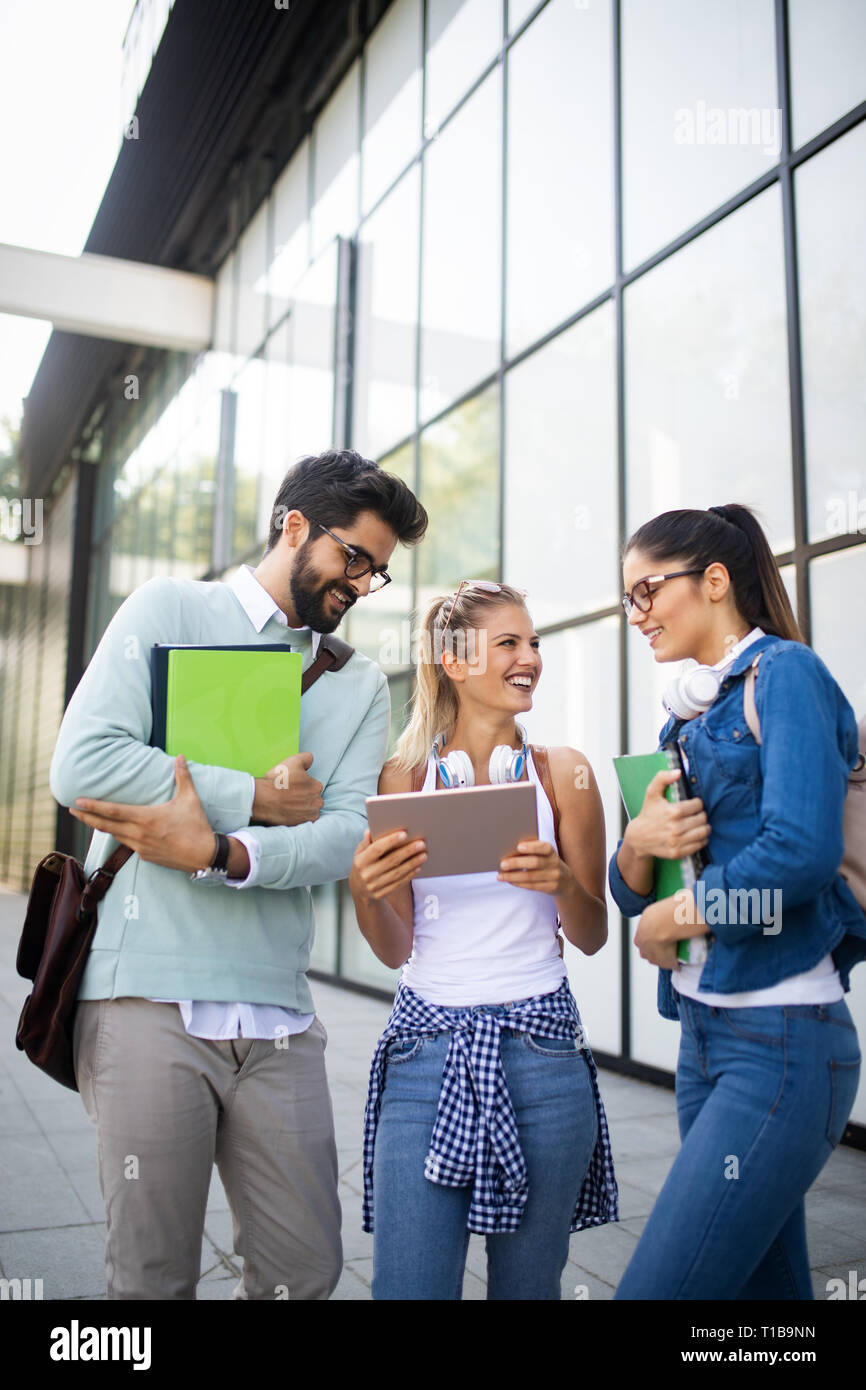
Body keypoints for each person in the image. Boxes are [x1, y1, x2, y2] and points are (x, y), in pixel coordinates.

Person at [49, 448, 427, 1300]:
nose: (363, 585)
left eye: (379, 573)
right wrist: (252, 794)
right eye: (353, 559)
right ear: (294, 526)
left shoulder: (360, 681)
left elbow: (341, 838)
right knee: (151, 1278)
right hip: (144, 995)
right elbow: (83, 766)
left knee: (306, 1268)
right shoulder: (172, 606)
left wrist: (222, 851)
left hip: (279, 1014)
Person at [610, 503, 865, 1301]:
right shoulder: (685, 715)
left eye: (648, 589)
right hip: (702, 1037)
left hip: (781, 1037)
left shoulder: (786, 675)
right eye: (628, 600)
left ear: (715, 581)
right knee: (765, 1301)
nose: (637, 613)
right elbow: (631, 895)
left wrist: (678, 917)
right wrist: (640, 845)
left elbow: (801, 853)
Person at [349, 580, 619, 1301]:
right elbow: (393, 946)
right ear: (455, 662)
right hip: (424, 1054)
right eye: (510, 643)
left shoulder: (564, 774)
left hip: (544, 1054)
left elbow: (591, 934)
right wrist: (364, 892)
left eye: (534, 643)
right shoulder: (403, 780)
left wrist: (561, 882)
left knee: (529, 1292)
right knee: (409, 1288)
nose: (531, 657)